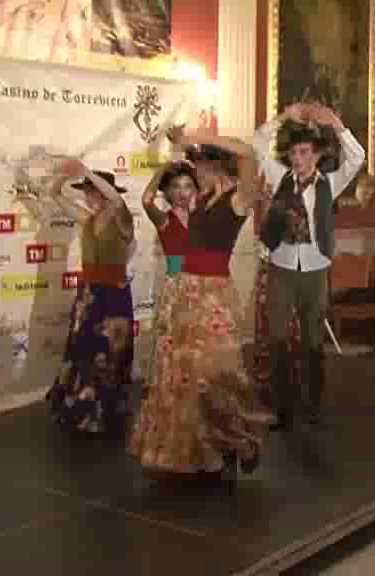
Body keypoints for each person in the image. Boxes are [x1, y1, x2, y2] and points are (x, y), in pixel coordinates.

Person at [128, 128, 270, 483]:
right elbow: (167, 193)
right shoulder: (202, 201)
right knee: (187, 378)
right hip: (186, 294)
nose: (197, 176)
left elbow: (249, 155)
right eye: (198, 169)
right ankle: (206, 453)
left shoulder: (238, 199)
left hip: (213, 294)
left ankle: (240, 444)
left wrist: (205, 137)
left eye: (203, 169)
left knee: (217, 374)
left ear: (218, 169)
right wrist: (182, 145)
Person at [254, 102, 366, 429]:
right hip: (282, 265)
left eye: (304, 152)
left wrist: (336, 123)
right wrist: (284, 118)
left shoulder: (330, 183)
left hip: (315, 269)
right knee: (277, 338)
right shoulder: (278, 178)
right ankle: (282, 408)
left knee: (313, 341)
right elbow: (258, 143)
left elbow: (357, 158)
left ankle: (313, 404)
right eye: (294, 153)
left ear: (316, 155)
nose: (298, 159)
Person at [45, 162, 136, 434]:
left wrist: (85, 171)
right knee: (82, 351)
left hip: (113, 296)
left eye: (90, 191)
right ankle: (82, 410)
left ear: (102, 193)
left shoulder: (123, 219)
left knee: (110, 355)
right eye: (85, 191)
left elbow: (117, 199)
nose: (86, 196)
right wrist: (64, 175)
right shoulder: (87, 219)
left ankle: (107, 410)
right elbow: (55, 195)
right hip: (89, 295)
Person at [252, 178, 302, 408]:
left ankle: (286, 383)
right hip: (274, 281)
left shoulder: (294, 217)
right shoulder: (276, 217)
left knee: (288, 333)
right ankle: (275, 384)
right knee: (272, 332)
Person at [142, 160, 197, 276]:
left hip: (203, 285)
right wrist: (163, 168)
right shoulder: (165, 220)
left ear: (194, 190)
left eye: (188, 186)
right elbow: (147, 200)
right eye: (176, 186)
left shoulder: (203, 218)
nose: (182, 193)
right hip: (177, 285)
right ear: (168, 191)